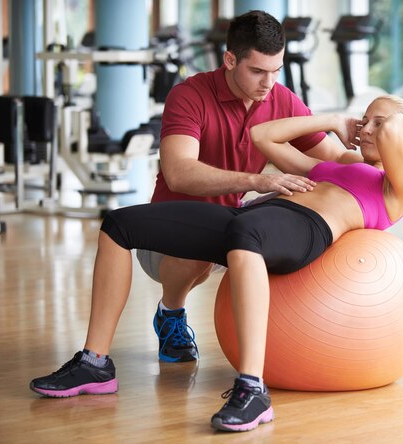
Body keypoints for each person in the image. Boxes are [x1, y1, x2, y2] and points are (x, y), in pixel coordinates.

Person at [30, 95, 403, 433]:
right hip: (250, 217)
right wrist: (332, 120)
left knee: (247, 236)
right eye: (363, 120)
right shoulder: (340, 166)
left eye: (375, 122)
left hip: (304, 229)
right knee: (120, 224)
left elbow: (398, 135)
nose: (365, 128)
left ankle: (253, 389)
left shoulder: (399, 187)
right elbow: (264, 136)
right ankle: (95, 364)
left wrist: (396, 123)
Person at [144, 10, 348, 363]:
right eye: (257, 71)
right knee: (199, 250)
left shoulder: (280, 99)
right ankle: (170, 313)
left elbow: (331, 160)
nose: (268, 83)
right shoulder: (189, 95)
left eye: (275, 71)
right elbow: (179, 173)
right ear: (229, 59)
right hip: (166, 240)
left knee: (309, 203)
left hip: (233, 229)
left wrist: (385, 163)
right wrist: (258, 181)